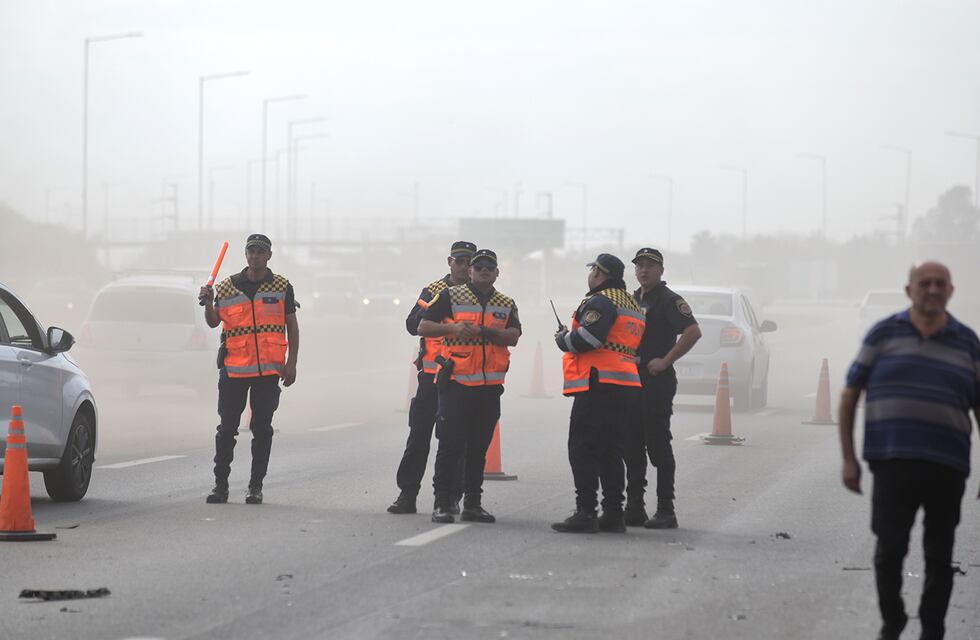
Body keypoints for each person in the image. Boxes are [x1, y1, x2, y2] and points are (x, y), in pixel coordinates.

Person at [839, 261, 980, 640]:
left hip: (947, 467)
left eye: (940, 284)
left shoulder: (968, 341)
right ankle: (893, 618)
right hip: (892, 464)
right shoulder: (883, 334)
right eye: (924, 283)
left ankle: (932, 628)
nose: (932, 290)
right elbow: (850, 396)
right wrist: (849, 459)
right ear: (909, 290)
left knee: (939, 555)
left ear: (951, 291)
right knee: (889, 551)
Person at [417, 249, 521, 524]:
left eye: (490, 267)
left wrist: (488, 333)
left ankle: (472, 504)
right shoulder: (451, 296)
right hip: (456, 384)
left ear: (497, 272)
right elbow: (422, 326)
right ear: (471, 272)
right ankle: (443, 503)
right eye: (479, 267)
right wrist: (452, 330)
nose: (484, 270)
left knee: (478, 449)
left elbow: (514, 336)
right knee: (450, 446)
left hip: (489, 388)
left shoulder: (506, 302)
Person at [199, 233, 299, 505]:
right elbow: (212, 322)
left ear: (268, 256)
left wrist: (292, 363)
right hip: (233, 370)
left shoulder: (282, 287)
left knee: (262, 428)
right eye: (251, 251)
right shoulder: (227, 287)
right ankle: (220, 486)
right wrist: (208, 302)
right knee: (226, 429)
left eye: (260, 252)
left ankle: (255, 486)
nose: (255, 256)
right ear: (246, 255)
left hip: (268, 371)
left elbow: (291, 324)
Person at [551, 254, 645, 533]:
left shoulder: (602, 301)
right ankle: (614, 514)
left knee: (583, 449)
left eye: (592, 269)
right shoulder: (632, 303)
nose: (590, 274)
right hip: (625, 384)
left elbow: (590, 339)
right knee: (611, 452)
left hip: (599, 383)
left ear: (598, 273)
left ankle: (586, 512)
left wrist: (563, 339)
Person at [387, 241, 476, 515]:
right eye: (459, 260)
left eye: (468, 262)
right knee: (418, 437)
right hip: (430, 376)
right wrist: (446, 325)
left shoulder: (478, 296)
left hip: (462, 378)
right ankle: (407, 494)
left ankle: (451, 497)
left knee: (456, 442)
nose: (463, 266)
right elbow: (412, 324)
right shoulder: (434, 290)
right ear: (450, 261)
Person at [623, 248, 701, 529]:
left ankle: (666, 510)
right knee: (631, 444)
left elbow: (692, 331)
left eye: (650, 266)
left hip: (657, 381)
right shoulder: (632, 300)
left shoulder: (669, 300)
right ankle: (634, 508)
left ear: (661, 271)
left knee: (657, 445)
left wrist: (666, 360)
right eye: (640, 265)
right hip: (632, 380)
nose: (644, 270)